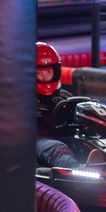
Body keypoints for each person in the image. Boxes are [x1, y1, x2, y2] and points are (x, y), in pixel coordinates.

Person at [34, 41, 83, 169]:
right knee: (56, 148)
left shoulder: (65, 96)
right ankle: (81, 179)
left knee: (87, 145)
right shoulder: (22, 98)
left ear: (55, 71)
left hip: (66, 138)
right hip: (37, 141)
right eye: (39, 73)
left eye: (48, 72)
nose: (45, 77)